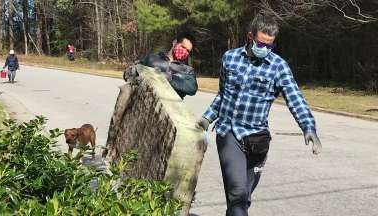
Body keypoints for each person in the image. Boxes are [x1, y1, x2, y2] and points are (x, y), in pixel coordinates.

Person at [196, 13, 322, 216]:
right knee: (237, 193)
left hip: (257, 140)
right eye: (261, 44)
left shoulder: (278, 66)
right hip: (229, 133)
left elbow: (295, 98)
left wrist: (308, 128)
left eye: (270, 46)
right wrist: (208, 117)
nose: (265, 49)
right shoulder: (230, 58)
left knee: (243, 198)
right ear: (250, 36)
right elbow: (223, 95)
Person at [123, 32, 198, 99]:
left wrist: (170, 78)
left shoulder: (187, 70)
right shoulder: (153, 59)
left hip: (166, 110)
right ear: (175, 42)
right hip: (143, 103)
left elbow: (191, 88)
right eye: (183, 47)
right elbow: (128, 74)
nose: (184, 52)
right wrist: (133, 71)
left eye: (187, 51)